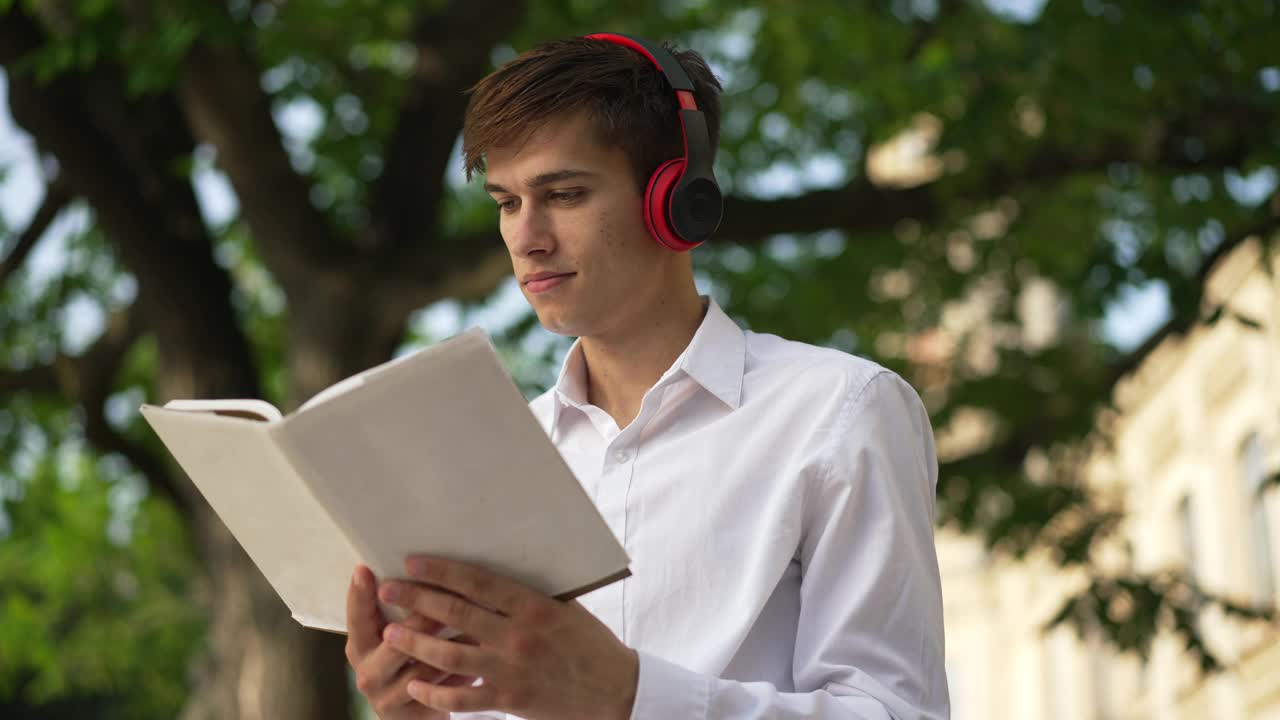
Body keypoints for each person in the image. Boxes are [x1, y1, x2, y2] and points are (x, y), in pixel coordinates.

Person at [345, 32, 949, 720]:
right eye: (507, 201)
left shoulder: (840, 413)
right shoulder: (501, 455)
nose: (526, 237)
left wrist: (628, 696)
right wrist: (417, 712)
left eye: (564, 193)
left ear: (677, 200)